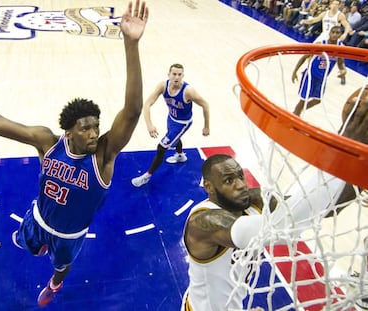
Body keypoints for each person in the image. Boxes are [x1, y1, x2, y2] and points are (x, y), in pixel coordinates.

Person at [0, 0, 148, 307]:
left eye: (96, 126)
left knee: (61, 267)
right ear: (68, 131)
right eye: (85, 128)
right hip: (39, 218)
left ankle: (55, 285)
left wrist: (130, 45)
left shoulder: (104, 155)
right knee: (28, 242)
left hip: (71, 235)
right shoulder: (48, 142)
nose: (94, 133)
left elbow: (134, 111)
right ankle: (35, 243)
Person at [180, 90, 368, 310]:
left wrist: (358, 164)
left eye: (240, 176)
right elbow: (276, 229)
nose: (240, 184)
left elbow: (320, 208)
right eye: (228, 181)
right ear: (209, 188)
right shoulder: (204, 223)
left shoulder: (254, 200)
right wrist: (342, 150)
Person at [131, 63, 210, 187]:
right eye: (174, 74)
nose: (176, 77)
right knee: (174, 138)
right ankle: (180, 156)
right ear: (169, 75)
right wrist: (149, 125)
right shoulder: (163, 86)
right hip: (171, 118)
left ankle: (147, 176)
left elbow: (205, 105)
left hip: (182, 123)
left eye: (179, 74)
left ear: (183, 75)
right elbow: (147, 104)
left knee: (161, 148)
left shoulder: (188, 91)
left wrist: (206, 126)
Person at [291, 26, 346, 116]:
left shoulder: (341, 48)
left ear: (340, 34)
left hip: (322, 78)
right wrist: (295, 71)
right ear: (329, 33)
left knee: (317, 100)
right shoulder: (321, 44)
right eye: (333, 32)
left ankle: (298, 111)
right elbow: (305, 57)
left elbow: (341, 64)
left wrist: (343, 71)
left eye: (337, 33)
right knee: (303, 99)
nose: (335, 35)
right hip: (310, 75)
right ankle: (296, 113)